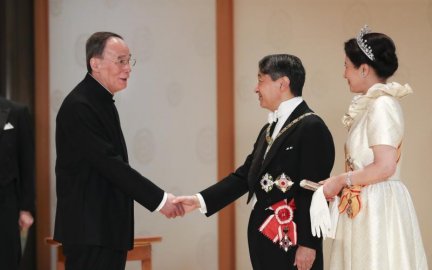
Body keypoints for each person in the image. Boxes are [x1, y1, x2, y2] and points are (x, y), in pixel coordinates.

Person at [174, 54, 335, 270]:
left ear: (282, 83)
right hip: (263, 240)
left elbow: (314, 191)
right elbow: (245, 176)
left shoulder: (311, 127)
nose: (255, 88)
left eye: (261, 80)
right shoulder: (269, 129)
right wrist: (199, 200)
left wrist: (309, 244)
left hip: (294, 244)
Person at [53, 32, 184, 270]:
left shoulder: (101, 101)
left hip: (105, 230)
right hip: (90, 232)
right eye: (120, 61)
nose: (128, 68)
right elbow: (110, 165)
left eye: (129, 61)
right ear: (95, 63)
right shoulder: (79, 106)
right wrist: (160, 200)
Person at [321, 25, 429, 269]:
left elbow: (384, 166)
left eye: (347, 66)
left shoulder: (382, 105)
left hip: (378, 207)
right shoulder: (371, 105)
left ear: (364, 69)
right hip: (365, 202)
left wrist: (340, 180)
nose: (344, 73)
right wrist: (337, 184)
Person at [0, 97, 35, 270]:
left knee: (6, 260)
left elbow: (27, 162)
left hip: (6, 204)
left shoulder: (17, 112)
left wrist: (26, 208)